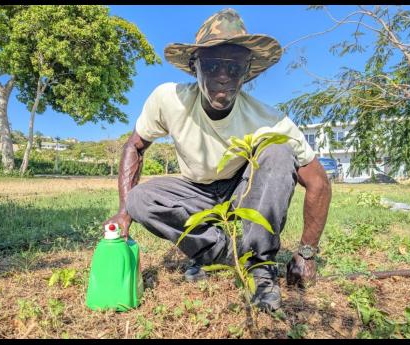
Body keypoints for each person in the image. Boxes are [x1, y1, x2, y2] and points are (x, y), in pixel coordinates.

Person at [104, 8, 332, 312]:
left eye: (234, 69)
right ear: (194, 67)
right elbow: (134, 145)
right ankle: (218, 255)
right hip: (194, 190)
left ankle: (257, 264)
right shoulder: (167, 100)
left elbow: (319, 182)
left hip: (242, 190)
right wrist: (123, 210)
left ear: (247, 72)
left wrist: (306, 254)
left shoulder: (270, 121)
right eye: (211, 66)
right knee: (139, 199)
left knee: (278, 152)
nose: (223, 77)